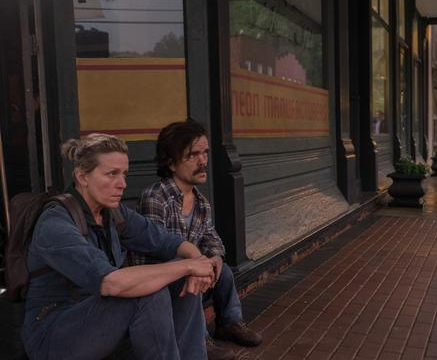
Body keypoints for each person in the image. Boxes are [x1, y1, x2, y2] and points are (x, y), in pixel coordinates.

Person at [22, 133, 220, 359]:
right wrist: (190, 267)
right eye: (111, 174)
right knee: (147, 291)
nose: (122, 184)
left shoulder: (112, 213)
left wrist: (195, 262)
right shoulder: (55, 222)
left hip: (101, 321)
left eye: (124, 174)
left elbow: (168, 241)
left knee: (178, 277)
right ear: (82, 177)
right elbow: (111, 284)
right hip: (54, 336)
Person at [127, 120, 262, 359]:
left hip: (192, 273)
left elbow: (212, 238)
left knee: (225, 272)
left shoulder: (201, 202)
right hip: (163, 284)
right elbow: (155, 249)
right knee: (191, 277)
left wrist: (216, 257)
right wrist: (194, 266)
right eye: (192, 155)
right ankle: (199, 339)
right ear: (170, 162)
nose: (203, 161)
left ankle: (229, 322)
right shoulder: (156, 198)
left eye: (205, 153)